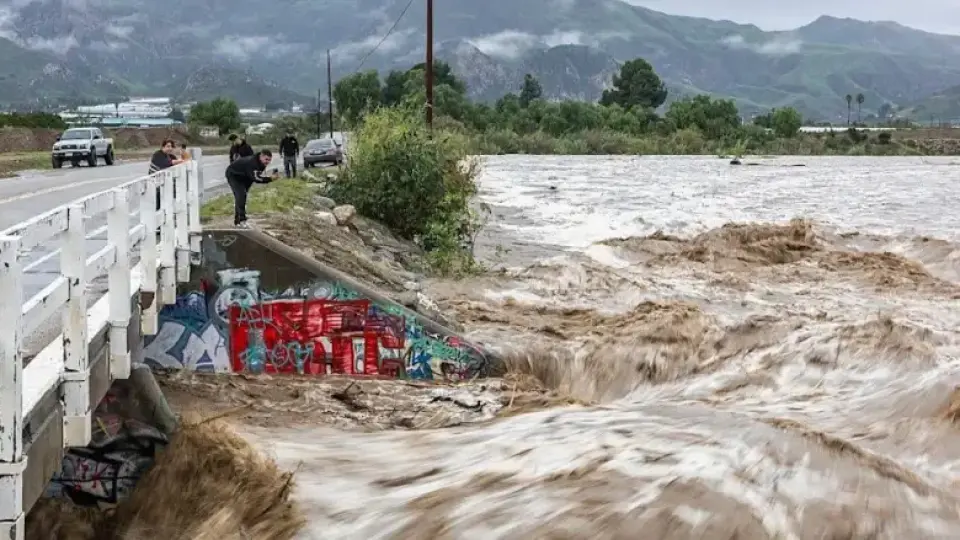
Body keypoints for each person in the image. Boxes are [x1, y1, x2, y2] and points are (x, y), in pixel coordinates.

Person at [224, 149, 277, 227]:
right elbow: (257, 179)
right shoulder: (252, 163)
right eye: (266, 159)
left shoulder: (261, 163)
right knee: (241, 195)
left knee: (242, 196)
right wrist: (270, 179)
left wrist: (269, 178)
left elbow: (254, 176)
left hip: (246, 176)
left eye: (269, 160)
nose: (267, 162)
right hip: (234, 175)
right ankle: (242, 220)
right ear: (261, 156)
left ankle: (237, 220)